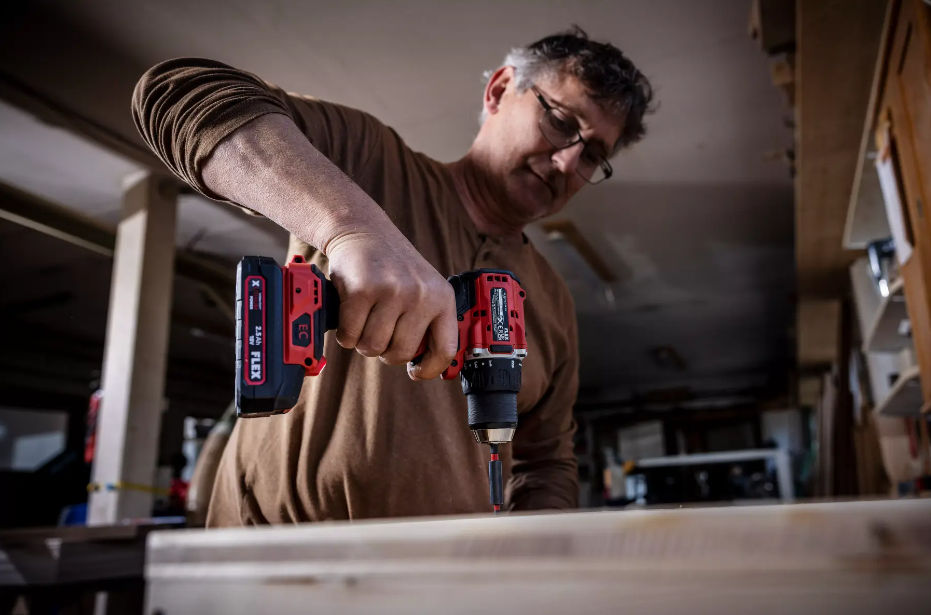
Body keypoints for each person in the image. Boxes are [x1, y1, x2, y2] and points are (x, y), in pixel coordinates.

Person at [133, 26, 653, 526]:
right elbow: (182, 95)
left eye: (593, 154)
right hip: (272, 557)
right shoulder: (369, 160)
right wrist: (350, 227)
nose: (567, 162)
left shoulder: (552, 301)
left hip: (442, 576)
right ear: (499, 90)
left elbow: (546, 463)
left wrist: (534, 554)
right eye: (560, 122)